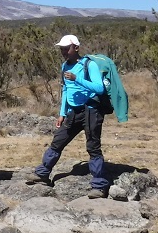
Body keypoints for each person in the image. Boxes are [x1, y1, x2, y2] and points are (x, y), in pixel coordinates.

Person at [26, 35, 110, 199]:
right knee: (58, 141)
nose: (63, 52)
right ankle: (43, 173)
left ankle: (99, 186)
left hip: (91, 110)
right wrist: (62, 113)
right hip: (73, 112)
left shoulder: (89, 65)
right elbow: (66, 90)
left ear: (76, 48)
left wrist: (77, 79)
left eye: (66, 48)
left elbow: (99, 88)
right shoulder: (65, 66)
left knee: (93, 147)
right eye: (62, 49)